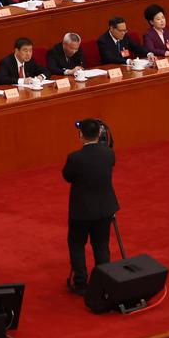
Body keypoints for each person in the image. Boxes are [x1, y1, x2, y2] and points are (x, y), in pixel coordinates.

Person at [63, 119, 119, 297]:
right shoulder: (109, 154)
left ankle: (81, 283)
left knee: (77, 245)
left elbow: (67, 176)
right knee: (101, 245)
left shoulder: (75, 158)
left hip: (82, 211)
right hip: (104, 209)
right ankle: (103, 282)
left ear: (81, 135)